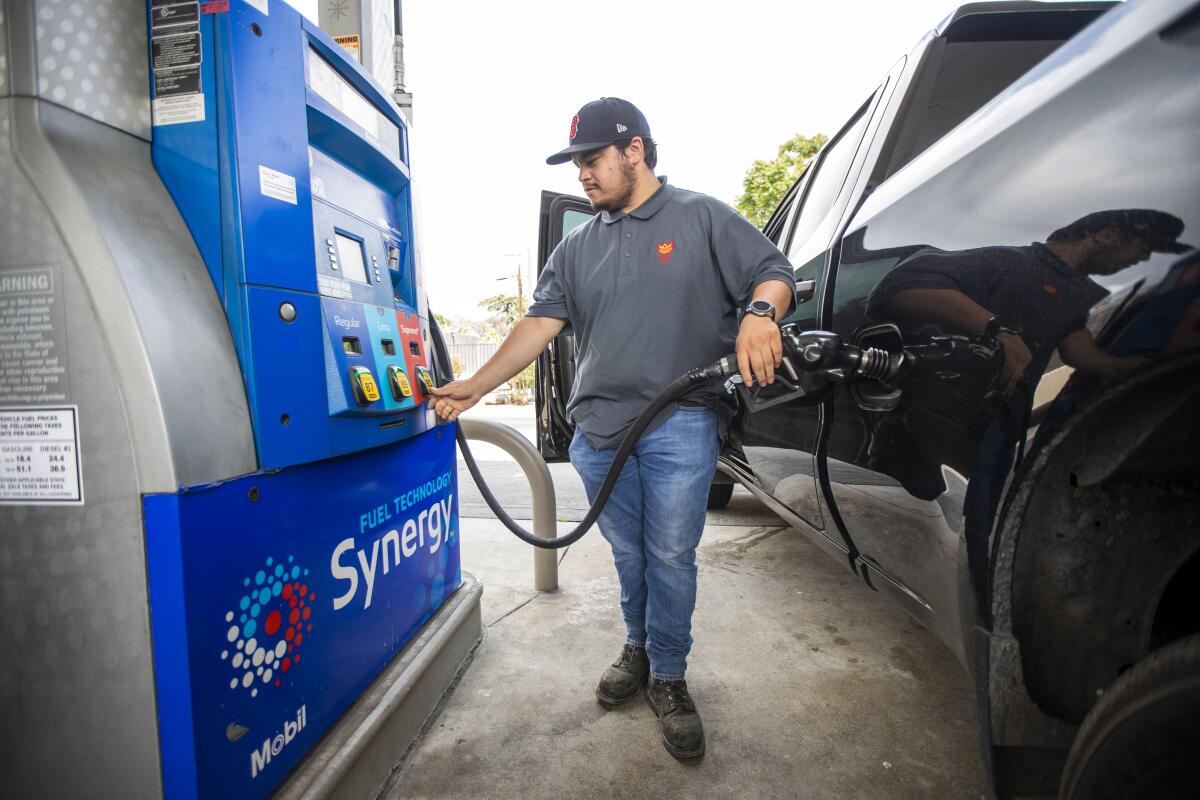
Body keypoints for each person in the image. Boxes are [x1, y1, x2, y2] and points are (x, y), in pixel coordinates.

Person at [429, 97, 795, 758]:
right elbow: (539, 325)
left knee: (669, 557)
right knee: (632, 558)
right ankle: (639, 649)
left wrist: (761, 314)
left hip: (680, 427)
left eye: (591, 160)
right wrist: (476, 387)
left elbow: (772, 271)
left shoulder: (700, 216)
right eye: (575, 164)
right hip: (598, 436)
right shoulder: (577, 248)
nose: (582, 175)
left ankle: (672, 676)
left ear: (634, 152)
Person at [866, 208, 1190, 618]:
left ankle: (985, 611)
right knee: (936, 515)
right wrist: (996, 328)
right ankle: (959, 607)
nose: (1137, 262)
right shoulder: (1011, 262)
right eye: (1138, 250)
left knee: (986, 522)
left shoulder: (1080, 293)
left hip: (1003, 428)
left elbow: (1080, 352)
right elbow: (898, 290)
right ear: (1107, 235)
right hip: (944, 416)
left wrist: (1143, 370)